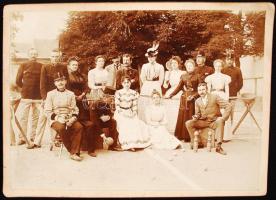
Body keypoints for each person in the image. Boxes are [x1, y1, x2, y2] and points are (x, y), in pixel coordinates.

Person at [30, 49, 67, 148]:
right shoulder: (45, 67)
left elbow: (66, 82)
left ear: (59, 57)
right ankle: (37, 142)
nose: (55, 58)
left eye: (56, 57)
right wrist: (44, 98)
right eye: (53, 56)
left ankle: (54, 141)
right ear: (50, 57)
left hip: (59, 96)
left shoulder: (63, 67)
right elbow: (42, 84)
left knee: (55, 119)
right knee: (42, 118)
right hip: (48, 97)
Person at [44, 72, 84, 161]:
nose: (60, 83)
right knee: (61, 128)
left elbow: (75, 109)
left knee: (79, 127)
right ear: (55, 83)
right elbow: (47, 111)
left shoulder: (70, 94)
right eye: (57, 81)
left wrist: (73, 118)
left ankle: (74, 152)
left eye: (62, 80)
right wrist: (58, 118)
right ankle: (73, 152)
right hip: (56, 118)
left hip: (68, 117)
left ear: (65, 81)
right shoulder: (50, 94)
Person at [185, 83, 231, 155]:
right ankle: (198, 142)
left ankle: (218, 147)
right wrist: (196, 117)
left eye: (203, 89)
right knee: (188, 123)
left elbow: (228, 105)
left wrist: (224, 118)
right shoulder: (197, 101)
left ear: (207, 90)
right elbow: (198, 114)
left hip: (214, 121)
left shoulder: (214, 97)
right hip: (203, 122)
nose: (201, 92)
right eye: (199, 90)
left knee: (220, 120)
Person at [165, 59, 201, 142]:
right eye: (188, 66)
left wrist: (194, 96)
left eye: (191, 66)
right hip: (184, 98)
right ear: (186, 67)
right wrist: (170, 95)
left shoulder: (198, 76)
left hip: (194, 98)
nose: (189, 67)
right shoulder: (183, 76)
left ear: (194, 66)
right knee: (183, 116)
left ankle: (191, 136)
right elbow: (179, 87)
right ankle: (182, 135)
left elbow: (201, 89)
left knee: (191, 116)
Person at [114, 76, 151, 151]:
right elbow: (117, 106)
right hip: (120, 112)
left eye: (128, 82)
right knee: (125, 124)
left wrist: (133, 112)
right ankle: (129, 144)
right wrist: (124, 113)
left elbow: (134, 105)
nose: (127, 84)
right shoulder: (119, 93)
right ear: (122, 84)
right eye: (125, 83)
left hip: (130, 112)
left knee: (136, 123)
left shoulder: (134, 93)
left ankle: (135, 143)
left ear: (130, 83)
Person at [15, 48, 43, 146]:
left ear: (37, 55)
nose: (33, 56)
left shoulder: (41, 66)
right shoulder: (23, 65)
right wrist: (24, 88)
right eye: (31, 54)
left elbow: (43, 81)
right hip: (26, 95)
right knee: (23, 117)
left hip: (38, 96)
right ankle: (22, 138)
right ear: (28, 55)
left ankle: (33, 137)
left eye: (35, 54)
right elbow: (18, 80)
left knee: (36, 117)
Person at [205, 59, 232, 141]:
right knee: (213, 114)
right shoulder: (210, 77)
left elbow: (227, 89)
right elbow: (208, 89)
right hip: (213, 95)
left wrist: (226, 99)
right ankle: (214, 136)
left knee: (223, 113)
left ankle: (225, 136)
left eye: (220, 66)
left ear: (222, 67)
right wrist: (208, 98)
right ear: (214, 66)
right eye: (216, 66)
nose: (218, 67)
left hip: (222, 95)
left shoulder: (225, 77)